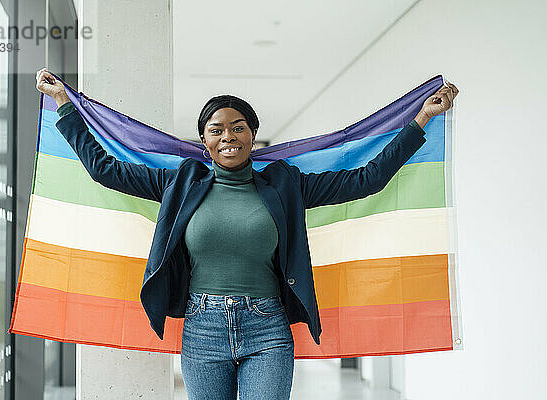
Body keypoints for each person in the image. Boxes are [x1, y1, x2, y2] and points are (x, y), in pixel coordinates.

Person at [35, 67, 458, 400]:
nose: (228, 136)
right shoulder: (180, 183)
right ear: (204, 141)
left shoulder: (286, 184)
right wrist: (63, 105)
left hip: (268, 329)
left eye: (237, 127)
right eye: (216, 130)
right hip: (202, 329)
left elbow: (367, 179)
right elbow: (103, 170)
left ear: (252, 135)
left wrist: (422, 118)